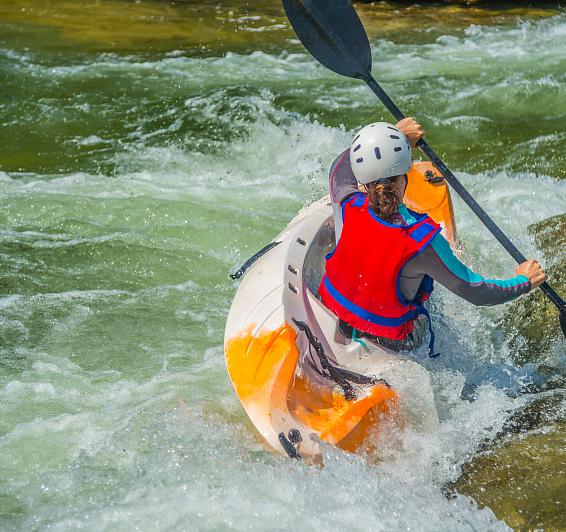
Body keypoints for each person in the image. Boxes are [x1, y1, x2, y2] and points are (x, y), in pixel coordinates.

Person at [318, 118, 546, 356]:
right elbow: (476, 291)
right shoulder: (422, 241)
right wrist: (523, 282)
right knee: (434, 310)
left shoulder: (348, 201)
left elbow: (340, 166)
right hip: (390, 342)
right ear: (405, 173)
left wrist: (397, 135)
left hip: (330, 310)